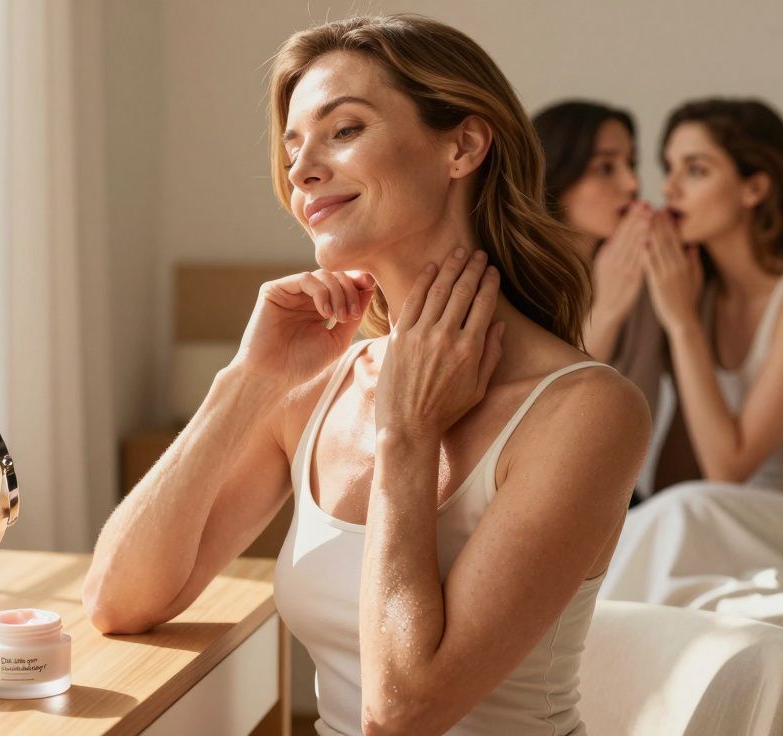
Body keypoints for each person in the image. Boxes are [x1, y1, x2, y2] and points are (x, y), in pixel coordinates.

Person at [83, 15, 649, 735]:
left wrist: (407, 436)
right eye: (293, 145)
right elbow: (117, 600)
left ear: (463, 145)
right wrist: (247, 380)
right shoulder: (314, 386)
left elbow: (404, 714)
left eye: (343, 130)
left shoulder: (586, 411)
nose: (301, 169)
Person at [602, 98, 783, 605]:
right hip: (756, 511)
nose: (669, 189)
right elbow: (680, 478)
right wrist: (683, 324)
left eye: (696, 170)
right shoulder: (700, 297)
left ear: (754, 188)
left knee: (683, 515)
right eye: (669, 169)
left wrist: (683, 325)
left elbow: (727, 470)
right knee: (675, 511)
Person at [534, 100, 701, 499]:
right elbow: (538, 430)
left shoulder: (652, 279)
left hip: (621, 501)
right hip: (533, 493)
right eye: (606, 167)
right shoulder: (506, 283)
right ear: (555, 176)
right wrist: (606, 311)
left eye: (631, 163)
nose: (632, 184)